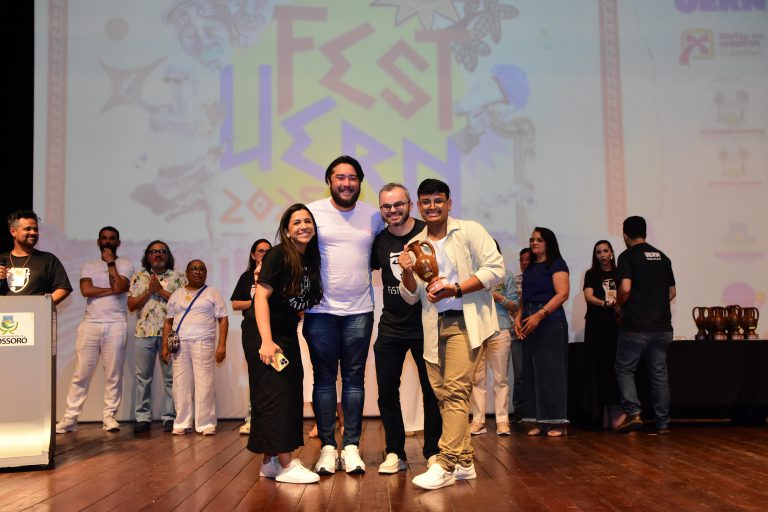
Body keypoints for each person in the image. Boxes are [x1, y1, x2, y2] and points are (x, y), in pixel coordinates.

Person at [398, 178, 503, 490]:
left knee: (456, 391)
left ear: (448, 203)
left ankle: (445, 463)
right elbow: (411, 296)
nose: (432, 206)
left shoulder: (469, 230)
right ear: (419, 206)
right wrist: (406, 271)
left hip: (465, 322)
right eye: (426, 201)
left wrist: (455, 289)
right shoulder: (415, 244)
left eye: (438, 200)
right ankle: (465, 461)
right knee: (444, 395)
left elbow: (495, 269)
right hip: (433, 326)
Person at [304, 155, 384, 475]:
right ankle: (327, 447)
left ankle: (350, 446)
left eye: (352, 178)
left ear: (360, 182)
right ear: (329, 181)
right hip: (320, 311)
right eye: (340, 177)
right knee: (323, 380)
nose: (346, 183)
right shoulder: (312, 212)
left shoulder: (374, 215)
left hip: (359, 311)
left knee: (354, 380)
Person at [246, 204, 323, 484]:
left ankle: (270, 462)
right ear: (287, 231)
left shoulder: (308, 259)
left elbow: (298, 301)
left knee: (284, 393)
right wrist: (266, 341)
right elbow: (261, 297)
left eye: (307, 221)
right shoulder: (278, 254)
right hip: (265, 333)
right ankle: (287, 464)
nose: (303, 226)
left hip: (286, 333)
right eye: (296, 222)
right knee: (276, 394)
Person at [371, 183, 441, 473]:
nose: (393, 210)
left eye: (398, 204)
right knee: (387, 392)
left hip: (426, 325)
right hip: (391, 326)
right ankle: (394, 452)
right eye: (386, 206)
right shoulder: (379, 242)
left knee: (431, 391)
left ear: (410, 205)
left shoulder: (428, 233)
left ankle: (433, 451)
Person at [56, 227, 135, 433]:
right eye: (104, 239)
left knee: (113, 373)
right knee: (81, 373)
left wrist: (111, 264)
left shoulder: (125, 264)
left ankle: (109, 416)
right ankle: (70, 418)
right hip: (90, 324)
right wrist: (113, 290)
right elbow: (86, 290)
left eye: (112, 239)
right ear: (98, 242)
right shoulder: (89, 265)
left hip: (116, 324)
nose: (108, 242)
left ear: (118, 243)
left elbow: (120, 286)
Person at [613, 216, 676, 435]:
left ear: (625, 235)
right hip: (662, 327)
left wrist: (618, 305)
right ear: (645, 233)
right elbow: (672, 292)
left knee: (624, 368)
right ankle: (663, 422)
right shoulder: (663, 258)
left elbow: (625, 288)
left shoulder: (627, 256)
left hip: (635, 326)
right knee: (659, 374)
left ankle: (634, 413)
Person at [161, 260, 228, 435]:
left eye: (201, 269)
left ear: (205, 273)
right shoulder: (177, 294)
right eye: (193, 269)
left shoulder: (212, 293)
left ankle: (206, 424)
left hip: (203, 343)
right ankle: (182, 422)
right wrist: (164, 345)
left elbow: (223, 319)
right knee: (180, 384)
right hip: (180, 345)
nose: (197, 272)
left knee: (205, 383)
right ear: (187, 273)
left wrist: (222, 345)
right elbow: (168, 322)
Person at [515, 227, 570, 437]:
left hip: (550, 321)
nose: (534, 243)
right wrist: (519, 317)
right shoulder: (530, 267)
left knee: (551, 372)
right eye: (532, 239)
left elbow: (563, 294)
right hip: (529, 319)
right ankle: (541, 421)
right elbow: (524, 297)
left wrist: (540, 315)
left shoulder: (557, 264)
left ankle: (557, 422)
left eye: (539, 240)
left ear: (549, 242)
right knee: (532, 372)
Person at [128, 241, 187, 434]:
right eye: (153, 252)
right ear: (147, 256)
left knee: (171, 378)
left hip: (170, 334)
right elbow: (131, 305)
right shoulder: (139, 276)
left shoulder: (178, 276)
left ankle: (170, 417)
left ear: (168, 255)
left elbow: (184, 304)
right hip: (143, 334)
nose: (158, 254)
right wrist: (148, 290)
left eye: (162, 251)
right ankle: (142, 418)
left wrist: (160, 291)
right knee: (142, 379)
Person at [469, 241, 518, 436]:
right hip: (477, 329)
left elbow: (514, 306)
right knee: (477, 378)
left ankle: (502, 421)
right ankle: (478, 420)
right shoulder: (472, 276)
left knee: (500, 378)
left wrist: (497, 297)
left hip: (500, 328)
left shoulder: (506, 275)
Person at [230, 238, 272, 435]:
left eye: (268, 251)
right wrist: (257, 301)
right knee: (256, 374)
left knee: (276, 374)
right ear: (253, 255)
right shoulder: (247, 277)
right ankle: (253, 418)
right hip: (252, 331)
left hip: (274, 331)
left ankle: (273, 419)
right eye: (260, 250)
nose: (264, 254)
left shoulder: (277, 276)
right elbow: (236, 304)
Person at [583, 240, 622, 429]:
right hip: (596, 327)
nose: (602, 255)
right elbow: (588, 296)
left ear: (612, 253)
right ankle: (599, 414)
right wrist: (605, 304)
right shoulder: (591, 274)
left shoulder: (620, 273)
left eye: (605, 251)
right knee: (598, 369)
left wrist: (619, 306)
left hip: (616, 327)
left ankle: (616, 411)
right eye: (598, 252)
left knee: (615, 369)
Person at [0, 210, 72, 304]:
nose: (33, 232)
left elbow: (63, 288)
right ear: (13, 231)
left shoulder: (48, 259)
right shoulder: (2, 259)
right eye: (27, 229)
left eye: (36, 229)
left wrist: (43, 306)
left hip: (35, 313)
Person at [509, 247, 532, 422]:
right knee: (520, 373)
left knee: (536, 372)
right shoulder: (515, 280)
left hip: (536, 330)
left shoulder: (539, 281)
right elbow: (512, 305)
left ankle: (535, 409)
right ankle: (519, 409)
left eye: (527, 259)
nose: (524, 263)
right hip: (516, 331)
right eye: (521, 260)